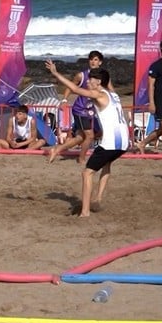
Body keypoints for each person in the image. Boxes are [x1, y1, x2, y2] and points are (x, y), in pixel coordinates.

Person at [46, 61, 130, 217]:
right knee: (106, 164)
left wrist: (55, 73)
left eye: (91, 80)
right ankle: (97, 198)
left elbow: (75, 89)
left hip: (111, 143)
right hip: (124, 142)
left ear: (98, 82)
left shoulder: (99, 94)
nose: (88, 82)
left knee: (87, 173)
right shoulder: (114, 95)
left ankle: (85, 212)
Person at [48, 50, 109, 163]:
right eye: (91, 59)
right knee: (89, 136)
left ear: (100, 62)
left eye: (95, 60)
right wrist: (65, 99)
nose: (93, 62)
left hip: (92, 110)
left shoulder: (102, 76)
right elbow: (71, 86)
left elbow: (110, 89)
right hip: (80, 110)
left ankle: (56, 150)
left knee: (82, 137)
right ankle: (81, 159)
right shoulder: (82, 75)